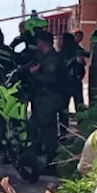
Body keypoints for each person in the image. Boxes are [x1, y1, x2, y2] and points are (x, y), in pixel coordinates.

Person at [27, 30, 63, 166]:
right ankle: (35, 158)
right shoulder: (44, 57)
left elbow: (51, 79)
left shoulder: (52, 58)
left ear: (42, 42)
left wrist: (34, 74)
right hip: (42, 98)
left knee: (48, 131)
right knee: (35, 128)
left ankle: (51, 163)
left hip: (48, 98)